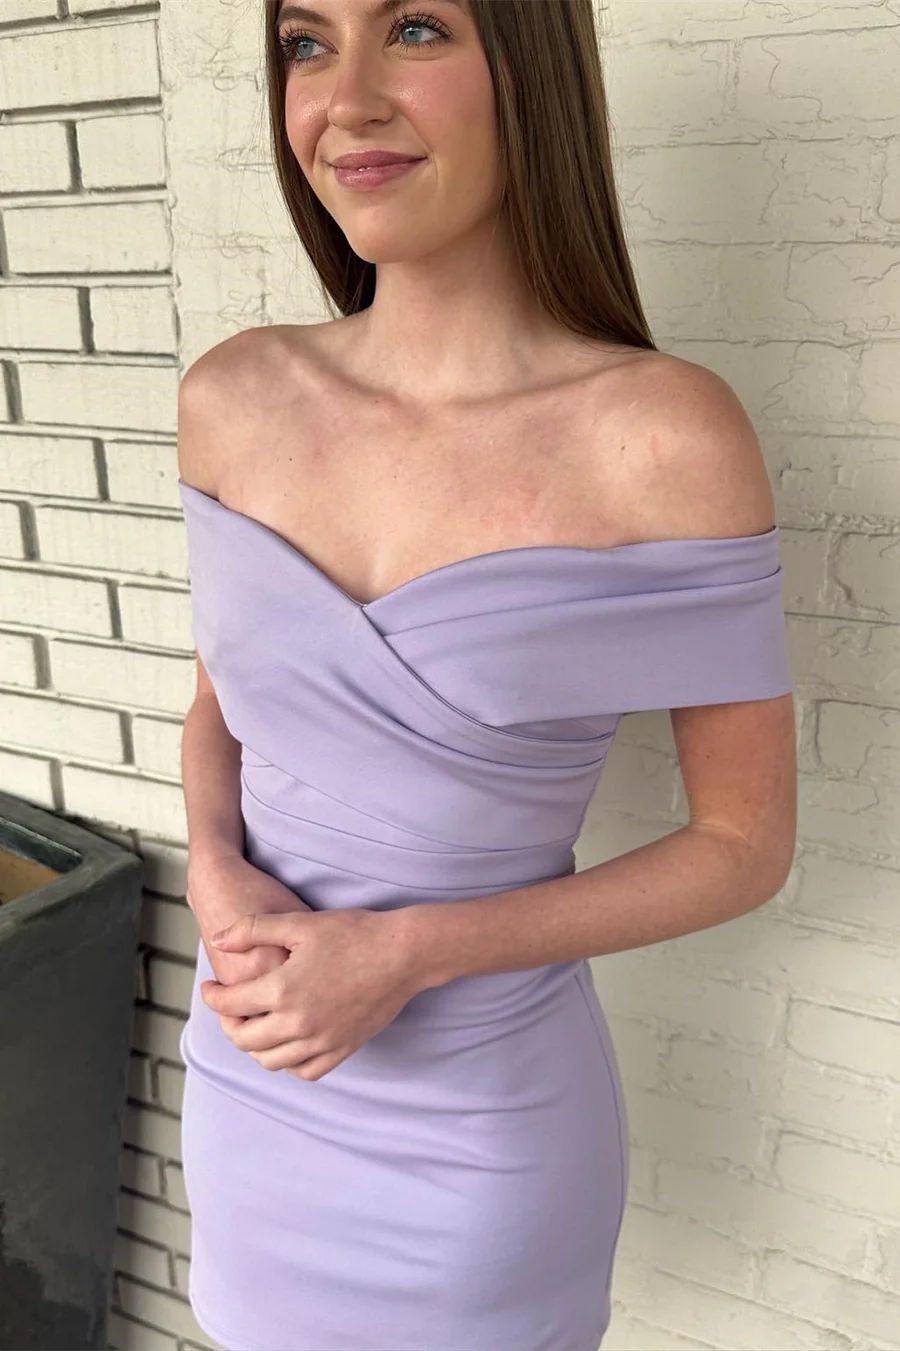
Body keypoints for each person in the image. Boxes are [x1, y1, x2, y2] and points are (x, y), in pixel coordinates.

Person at [175, 2, 797, 1348]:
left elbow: (743, 847)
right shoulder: (232, 397)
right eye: (304, 43)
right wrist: (214, 873)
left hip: (476, 1144)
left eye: (413, 28)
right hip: (252, 1079)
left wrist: (407, 952)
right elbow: (222, 705)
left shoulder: (662, 438)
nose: (343, 98)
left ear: (531, 66)